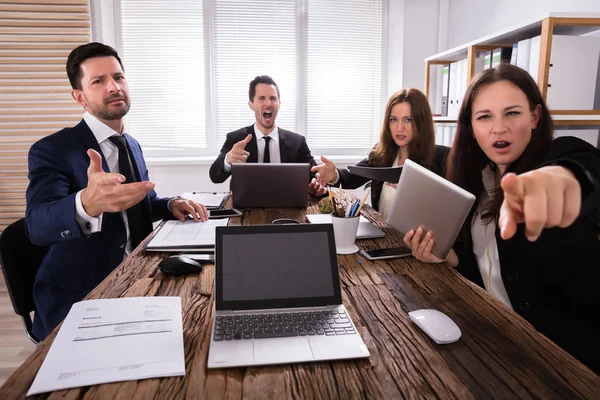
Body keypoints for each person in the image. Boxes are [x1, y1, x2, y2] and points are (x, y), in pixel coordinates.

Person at [404, 63, 600, 373]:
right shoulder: (477, 181)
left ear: (534, 117)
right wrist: (448, 256)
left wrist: (565, 177)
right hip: (499, 340)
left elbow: (586, 168)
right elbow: (489, 263)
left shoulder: (560, 155)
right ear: (471, 126)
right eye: (485, 117)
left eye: (512, 113)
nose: (499, 128)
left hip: (568, 360)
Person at [25, 42, 208, 341]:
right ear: (79, 97)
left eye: (119, 77)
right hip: (81, 294)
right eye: (98, 81)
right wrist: (86, 204)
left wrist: (171, 203)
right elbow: (36, 225)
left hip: (139, 276)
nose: (114, 86)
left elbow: (139, 203)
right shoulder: (53, 150)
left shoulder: (131, 144)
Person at [311, 88, 449, 219]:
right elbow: (353, 176)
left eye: (408, 119)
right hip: (386, 237)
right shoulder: (383, 153)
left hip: (420, 240)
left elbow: (447, 209)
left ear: (421, 122)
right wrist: (334, 175)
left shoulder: (441, 158)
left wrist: (414, 192)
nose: (399, 128)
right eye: (393, 119)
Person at [209, 75, 326, 196]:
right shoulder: (236, 139)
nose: (268, 103)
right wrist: (228, 160)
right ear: (251, 104)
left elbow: (315, 176)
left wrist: (317, 185)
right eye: (261, 98)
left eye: (273, 98)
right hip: (246, 209)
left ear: (279, 103)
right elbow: (215, 176)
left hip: (288, 208)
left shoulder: (297, 142)